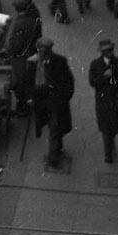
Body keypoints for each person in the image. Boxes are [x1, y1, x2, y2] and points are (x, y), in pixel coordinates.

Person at [31, 36, 76, 168]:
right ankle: (57, 146)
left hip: (56, 101)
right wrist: (30, 97)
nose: (42, 54)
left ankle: (53, 157)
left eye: (45, 52)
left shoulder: (60, 61)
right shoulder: (34, 62)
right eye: (41, 51)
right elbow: (28, 81)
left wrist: (65, 97)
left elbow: (69, 82)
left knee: (55, 127)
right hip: (42, 100)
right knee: (52, 126)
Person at [88, 35, 118, 162]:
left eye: (111, 50)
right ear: (102, 52)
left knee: (116, 126)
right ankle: (108, 153)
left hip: (116, 101)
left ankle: (110, 142)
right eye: (107, 51)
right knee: (106, 128)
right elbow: (92, 81)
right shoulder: (95, 64)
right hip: (103, 101)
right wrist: (103, 76)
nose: (110, 53)